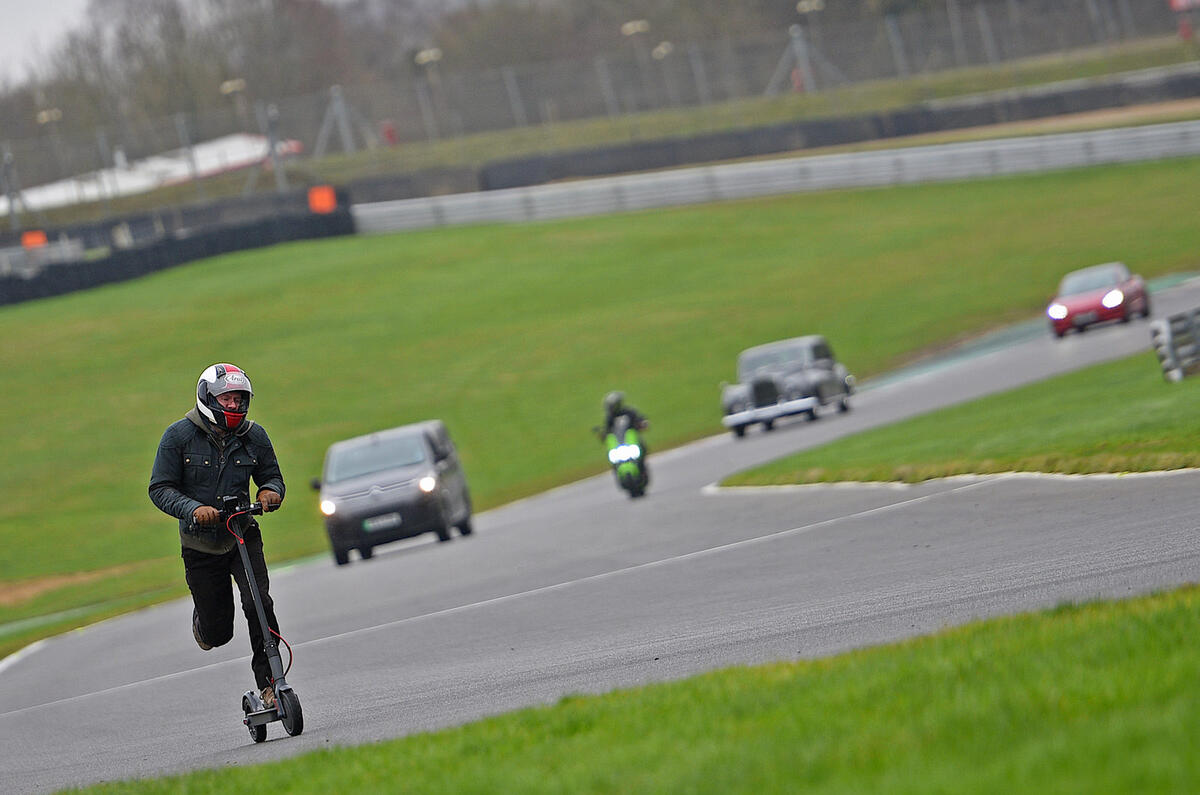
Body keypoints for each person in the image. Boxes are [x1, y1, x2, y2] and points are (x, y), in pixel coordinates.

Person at [149, 363, 286, 708]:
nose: (235, 406)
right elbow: (160, 488)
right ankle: (204, 626)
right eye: (228, 399)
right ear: (208, 398)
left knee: (260, 604)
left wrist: (270, 492)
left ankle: (272, 685)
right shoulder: (177, 437)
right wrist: (193, 509)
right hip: (200, 545)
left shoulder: (255, 436)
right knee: (219, 632)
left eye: (240, 399)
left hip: (242, 532)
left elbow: (272, 477)